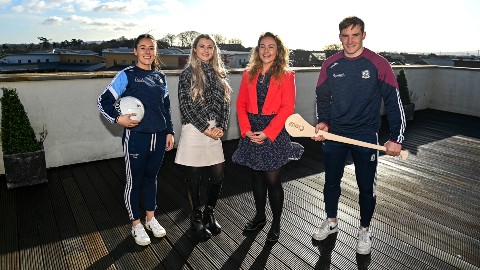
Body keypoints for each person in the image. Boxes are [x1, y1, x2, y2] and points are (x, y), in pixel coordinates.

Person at [311, 16, 406, 254]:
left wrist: (397, 138)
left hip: (365, 135)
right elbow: (322, 97)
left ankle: (364, 230)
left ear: (364, 35)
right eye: (345, 35)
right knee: (331, 182)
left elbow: (393, 101)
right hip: (335, 135)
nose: (350, 40)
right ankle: (331, 221)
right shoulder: (330, 65)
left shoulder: (378, 63)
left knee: (366, 187)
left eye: (355, 35)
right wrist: (322, 122)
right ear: (339, 37)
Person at [98, 34, 175, 246]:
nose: (147, 52)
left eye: (151, 48)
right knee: (135, 181)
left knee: (151, 178)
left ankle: (151, 219)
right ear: (135, 51)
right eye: (143, 48)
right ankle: (136, 224)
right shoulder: (127, 75)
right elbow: (103, 101)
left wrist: (169, 131)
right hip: (136, 138)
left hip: (159, 137)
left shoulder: (160, 76)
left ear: (155, 51)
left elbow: (166, 107)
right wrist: (117, 118)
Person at [232, 32, 303, 242]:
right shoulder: (248, 73)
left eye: (271, 46)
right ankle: (260, 216)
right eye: (262, 46)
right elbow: (241, 104)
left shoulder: (287, 75)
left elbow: (287, 108)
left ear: (278, 50)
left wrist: (268, 132)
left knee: (273, 181)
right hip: (252, 130)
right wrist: (246, 130)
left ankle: (276, 223)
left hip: (274, 130)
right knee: (255, 177)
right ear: (257, 50)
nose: (266, 50)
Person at [175, 34, 232, 238]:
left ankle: (209, 211)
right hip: (194, 130)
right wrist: (205, 128)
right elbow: (186, 107)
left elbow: (225, 105)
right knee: (194, 179)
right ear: (194, 49)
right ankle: (196, 218)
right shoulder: (187, 74)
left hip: (214, 131)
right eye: (202, 46)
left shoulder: (220, 74)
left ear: (214, 50)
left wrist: (222, 127)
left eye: (210, 47)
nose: (206, 50)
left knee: (217, 175)